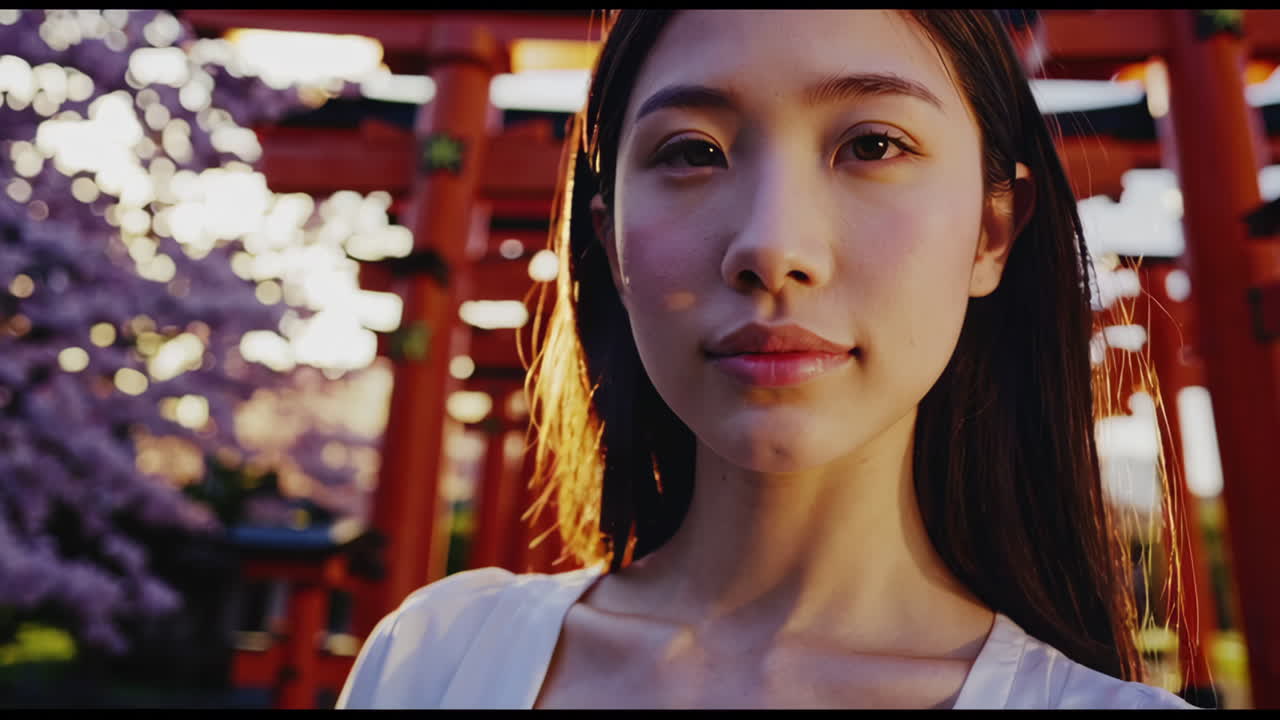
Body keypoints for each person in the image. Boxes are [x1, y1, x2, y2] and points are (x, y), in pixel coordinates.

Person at [336, 10, 1199, 709]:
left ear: (991, 230)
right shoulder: (436, 662)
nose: (773, 246)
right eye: (692, 152)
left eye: (873, 145)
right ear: (608, 238)